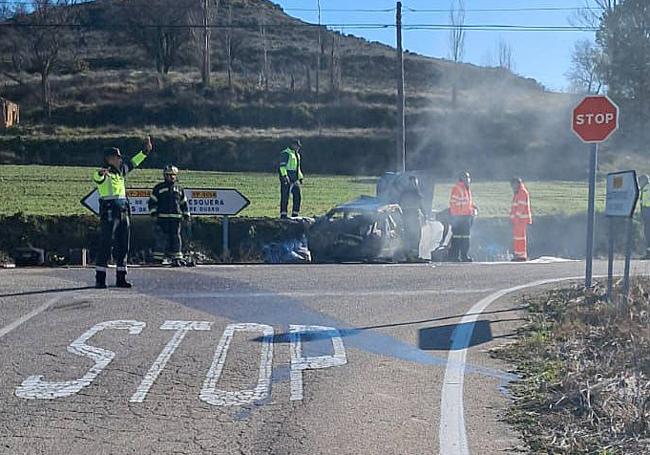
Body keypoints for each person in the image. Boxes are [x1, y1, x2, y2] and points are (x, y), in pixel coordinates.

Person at [93, 136, 153, 289]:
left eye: (119, 157)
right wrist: (101, 174)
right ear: (108, 159)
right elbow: (97, 177)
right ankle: (100, 278)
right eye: (116, 158)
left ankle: (121, 278)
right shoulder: (103, 173)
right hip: (109, 212)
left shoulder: (120, 172)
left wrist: (144, 152)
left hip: (123, 211)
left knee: (123, 245)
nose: (120, 160)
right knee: (106, 244)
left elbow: (133, 163)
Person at [148, 165, 191, 266]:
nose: (171, 177)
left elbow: (184, 203)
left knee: (176, 238)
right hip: (162, 217)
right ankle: (158, 258)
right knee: (161, 238)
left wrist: (186, 215)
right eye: (168, 175)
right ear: (164, 176)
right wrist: (154, 213)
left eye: (173, 175)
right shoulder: (159, 188)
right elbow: (152, 202)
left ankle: (176, 258)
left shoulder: (179, 189)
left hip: (176, 218)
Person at [448, 171, 477, 262]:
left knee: (465, 237)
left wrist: (473, 208)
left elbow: (468, 203)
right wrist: (456, 217)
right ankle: (455, 256)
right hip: (459, 217)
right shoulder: (458, 188)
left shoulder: (466, 189)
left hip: (466, 217)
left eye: (468, 178)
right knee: (457, 237)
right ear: (462, 178)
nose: (468, 180)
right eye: (467, 178)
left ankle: (464, 255)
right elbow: (453, 204)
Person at [399, 176, 426, 259]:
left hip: (407, 216)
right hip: (413, 216)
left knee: (409, 235)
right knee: (415, 235)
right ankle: (413, 254)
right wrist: (425, 215)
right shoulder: (416, 193)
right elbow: (421, 205)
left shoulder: (404, 193)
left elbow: (400, 204)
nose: (414, 184)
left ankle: (408, 253)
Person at [278, 139, 304, 219]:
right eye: (297, 146)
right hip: (287, 178)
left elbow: (297, 168)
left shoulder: (296, 155)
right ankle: (283, 214)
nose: (298, 148)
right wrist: (285, 176)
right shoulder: (286, 153)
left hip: (295, 179)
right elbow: (282, 166)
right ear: (293, 145)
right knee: (285, 197)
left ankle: (295, 215)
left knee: (298, 196)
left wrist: (300, 177)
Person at [510, 177, 532, 262]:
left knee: (520, 238)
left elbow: (520, 207)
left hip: (521, 220)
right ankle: (518, 255)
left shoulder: (522, 192)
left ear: (517, 184)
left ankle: (521, 255)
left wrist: (515, 217)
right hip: (518, 220)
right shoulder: (518, 192)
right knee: (517, 238)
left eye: (513, 185)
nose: (512, 187)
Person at [639, 174, 650, 259]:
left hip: (648, 213)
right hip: (646, 215)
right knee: (647, 234)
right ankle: (648, 253)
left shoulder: (648, 188)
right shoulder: (643, 189)